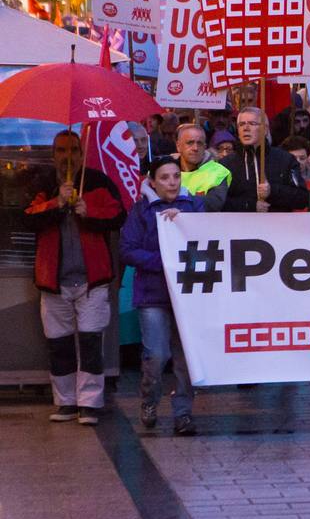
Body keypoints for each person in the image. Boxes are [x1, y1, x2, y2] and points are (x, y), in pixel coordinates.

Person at [23, 131, 127, 425]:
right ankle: (66, 401)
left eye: (73, 150)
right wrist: (56, 203)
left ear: (82, 154)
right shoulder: (42, 184)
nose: (67, 156)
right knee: (59, 344)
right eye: (60, 150)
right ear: (54, 154)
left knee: (92, 342)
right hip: (53, 281)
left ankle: (90, 403)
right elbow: (26, 217)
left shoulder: (99, 182)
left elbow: (119, 216)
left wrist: (88, 211)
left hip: (92, 280)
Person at [120, 156, 206, 435]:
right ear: (153, 182)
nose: (172, 182)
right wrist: (164, 260)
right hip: (153, 294)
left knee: (184, 358)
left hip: (186, 295)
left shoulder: (193, 206)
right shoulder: (141, 210)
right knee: (156, 354)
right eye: (165, 178)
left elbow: (208, 237)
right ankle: (150, 399)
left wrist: (186, 223)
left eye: (175, 176)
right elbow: (128, 249)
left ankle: (183, 413)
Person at [221, 107, 309, 213]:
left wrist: (273, 191)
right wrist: (249, 205)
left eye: (252, 123)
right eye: (241, 124)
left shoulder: (285, 159)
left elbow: (302, 198)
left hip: (277, 226)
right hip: (241, 227)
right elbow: (218, 202)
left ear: (265, 129)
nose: (245, 128)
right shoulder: (225, 164)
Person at [175, 123, 232, 212]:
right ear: (178, 146)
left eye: (200, 143)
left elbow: (212, 205)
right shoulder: (163, 170)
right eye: (190, 143)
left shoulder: (218, 172)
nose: (195, 148)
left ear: (205, 147)